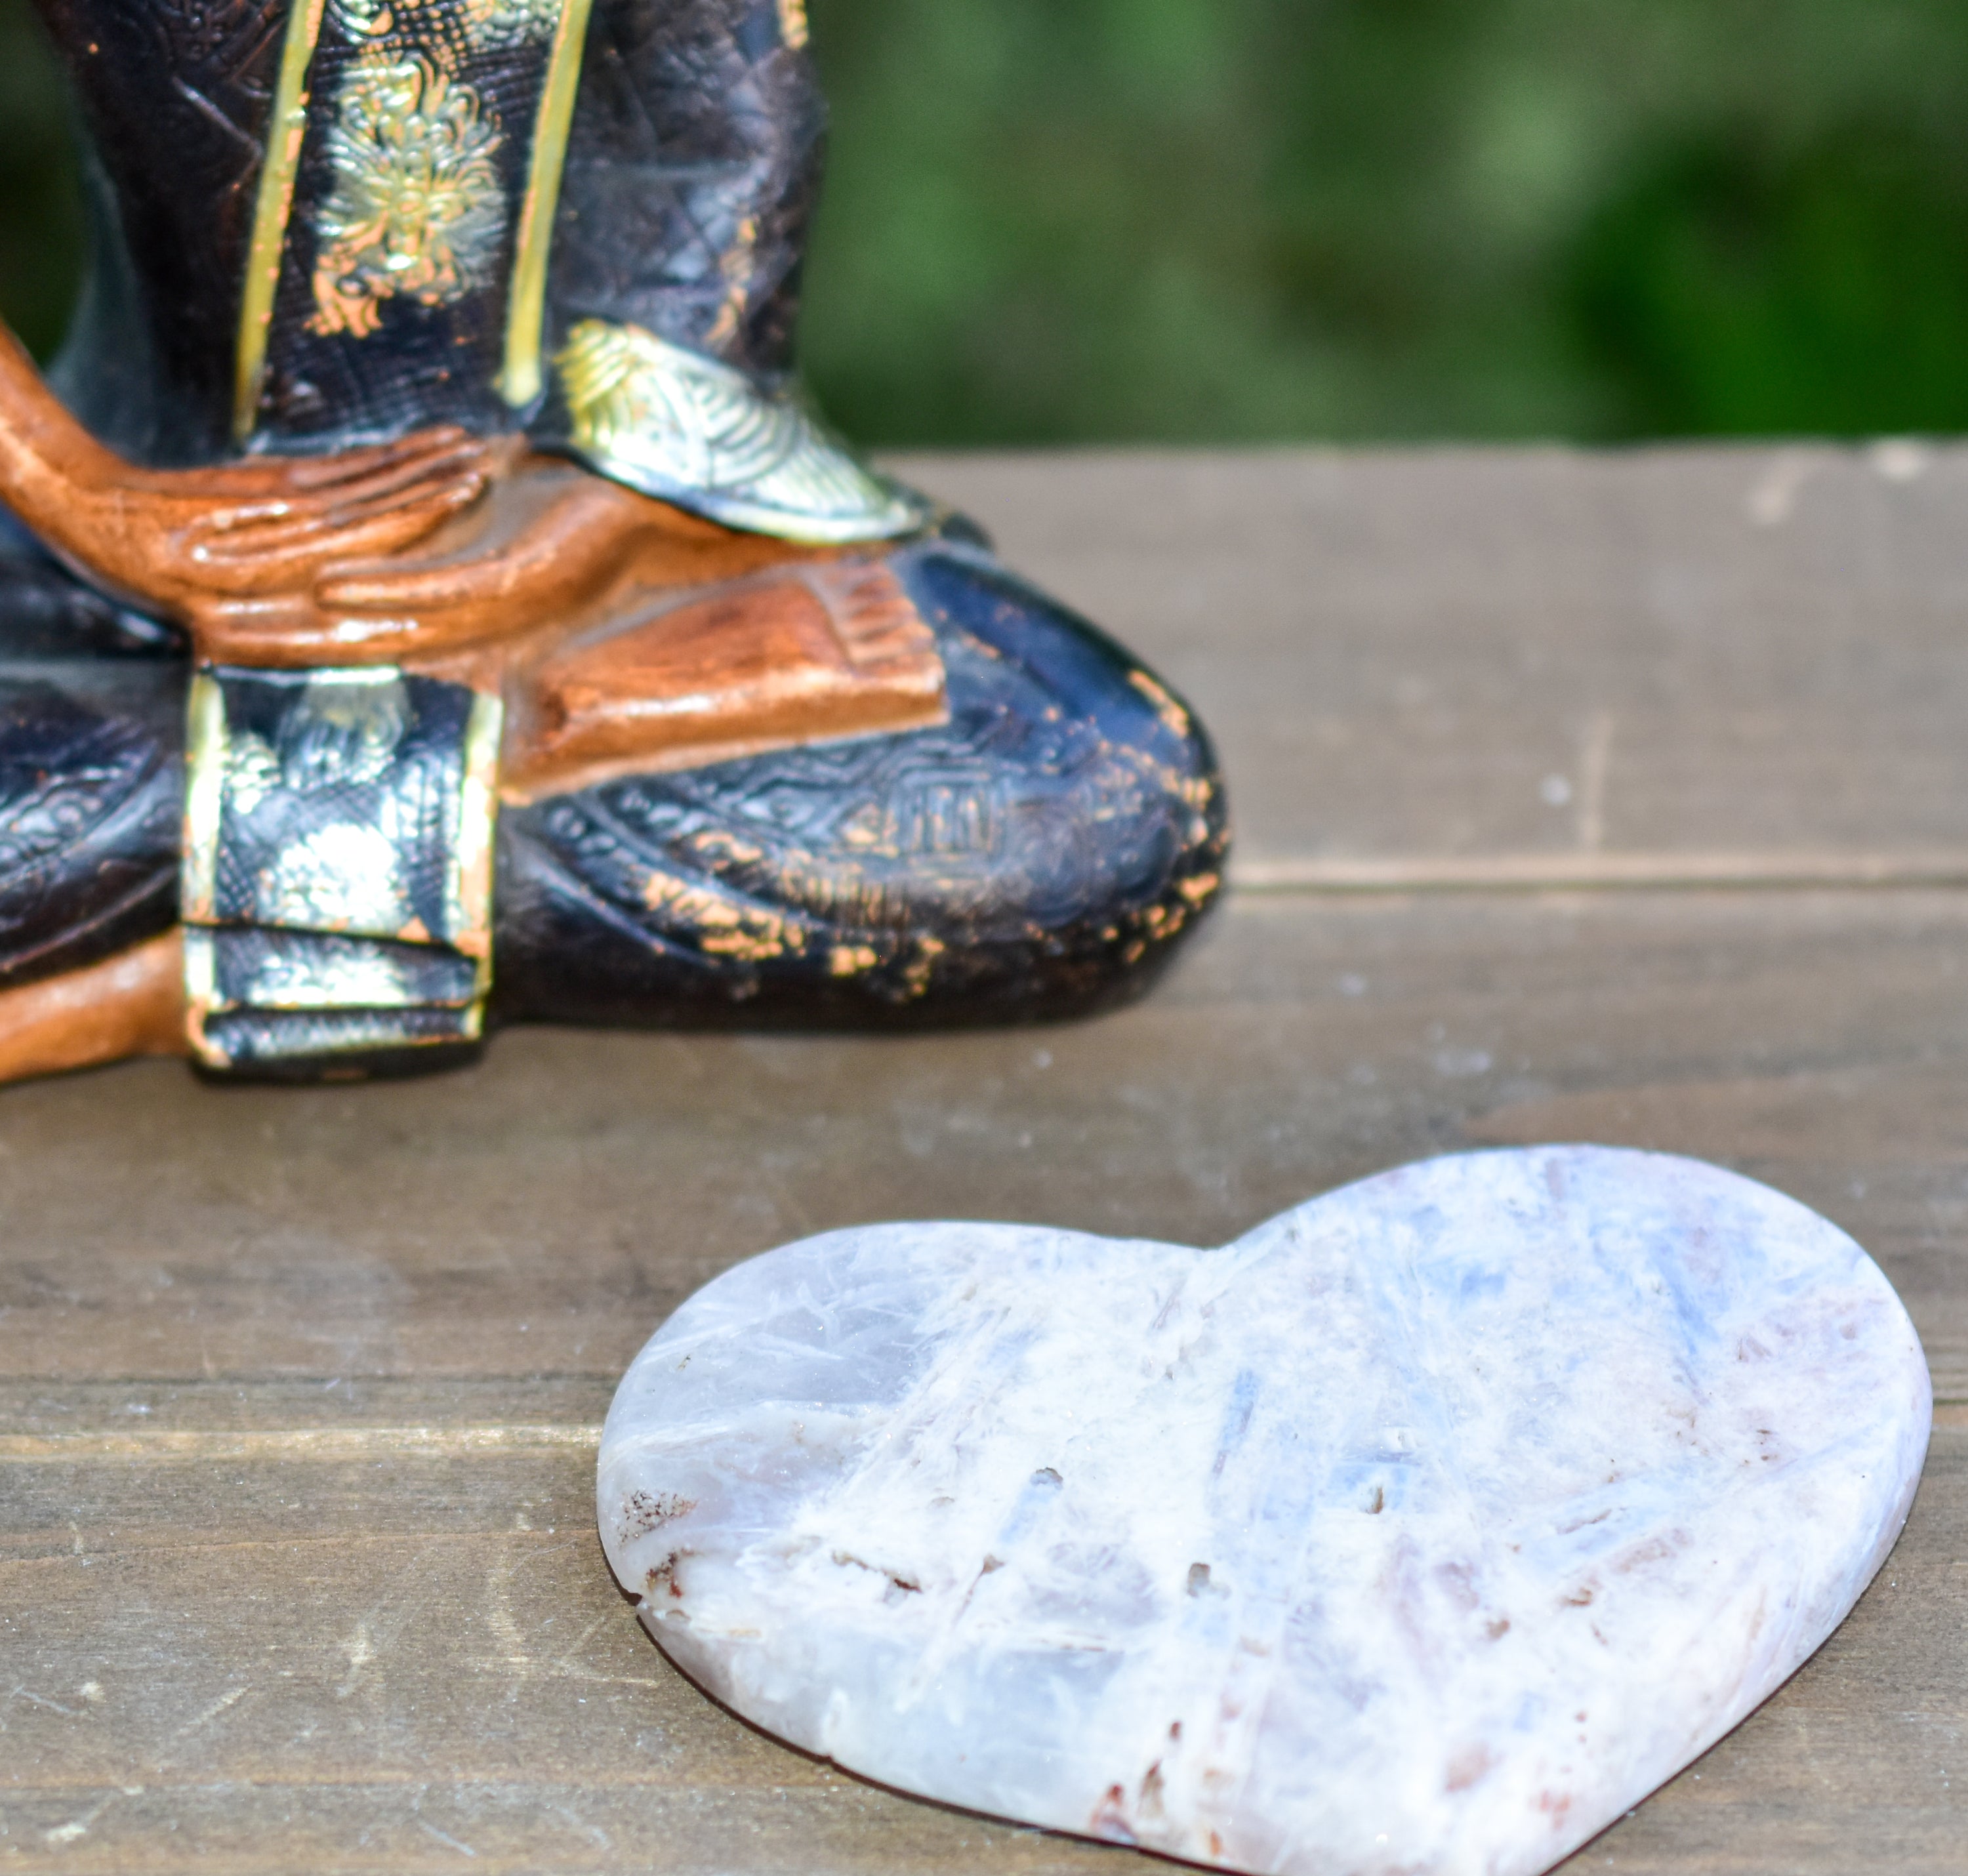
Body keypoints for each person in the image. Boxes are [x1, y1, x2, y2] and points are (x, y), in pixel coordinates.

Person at [0, 0, 1227, 1081]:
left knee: (1105, 796)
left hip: (565, 576)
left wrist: (598, 526)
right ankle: (351, 891)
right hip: (88, 582)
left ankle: (223, 920)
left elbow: (710, 170)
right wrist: (79, 492)